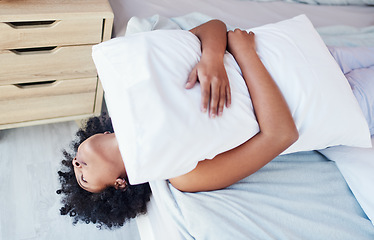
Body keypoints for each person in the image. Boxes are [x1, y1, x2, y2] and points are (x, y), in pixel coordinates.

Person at [57, 19, 298, 228]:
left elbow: (213, 27)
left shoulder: (136, 93)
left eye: (74, 160)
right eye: (83, 178)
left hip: (290, 44)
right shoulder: (182, 174)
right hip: (305, 89)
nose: (76, 162)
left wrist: (212, 59)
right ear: (120, 184)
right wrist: (245, 54)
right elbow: (280, 135)